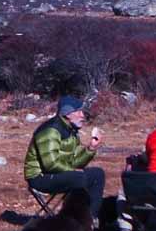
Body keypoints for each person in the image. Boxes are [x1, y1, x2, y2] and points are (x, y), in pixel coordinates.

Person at [24, 96, 105, 224]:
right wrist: (73, 171)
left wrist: (90, 149)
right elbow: (50, 164)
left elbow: (75, 162)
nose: (83, 115)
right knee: (79, 177)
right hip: (39, 177)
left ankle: (91, 220)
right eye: (79, 111)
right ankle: (73, 222)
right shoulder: (50, 130)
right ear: (67, 113)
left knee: (97, 174)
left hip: (58, 173)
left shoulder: (72, 131)